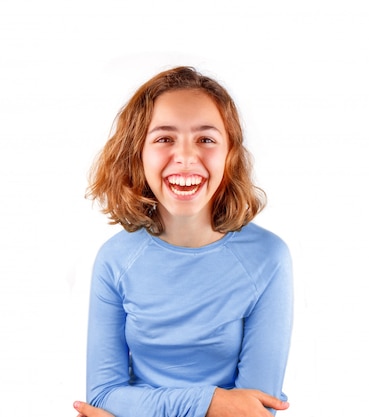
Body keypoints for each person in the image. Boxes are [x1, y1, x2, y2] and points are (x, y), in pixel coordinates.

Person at [75, 66, 293, 417]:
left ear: (230, 153)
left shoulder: (268, 257)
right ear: (138, 153)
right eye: (164, 138)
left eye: (206, 139)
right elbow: (101, 397)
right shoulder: (115, 258)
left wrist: (136, 409)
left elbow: (254, 410)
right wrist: (211, 402)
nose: (187, 157)